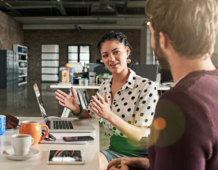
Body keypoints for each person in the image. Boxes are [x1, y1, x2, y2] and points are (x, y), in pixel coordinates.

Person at [108, 0, 218, 170]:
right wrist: (152, 164)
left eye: (151, 31)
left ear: (162, 39)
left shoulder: (181, 102)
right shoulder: (211, 85)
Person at [55, 31, 158, 170]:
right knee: (86, 164)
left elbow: (138, 134)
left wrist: (109, 115)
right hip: (114, 150)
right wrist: (77, 109)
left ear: (127, 52)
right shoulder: (105, 84)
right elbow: (92, 114)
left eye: (116, 52)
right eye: (105, 55)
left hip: (141, 155)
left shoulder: (146, 87)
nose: (111, 58)